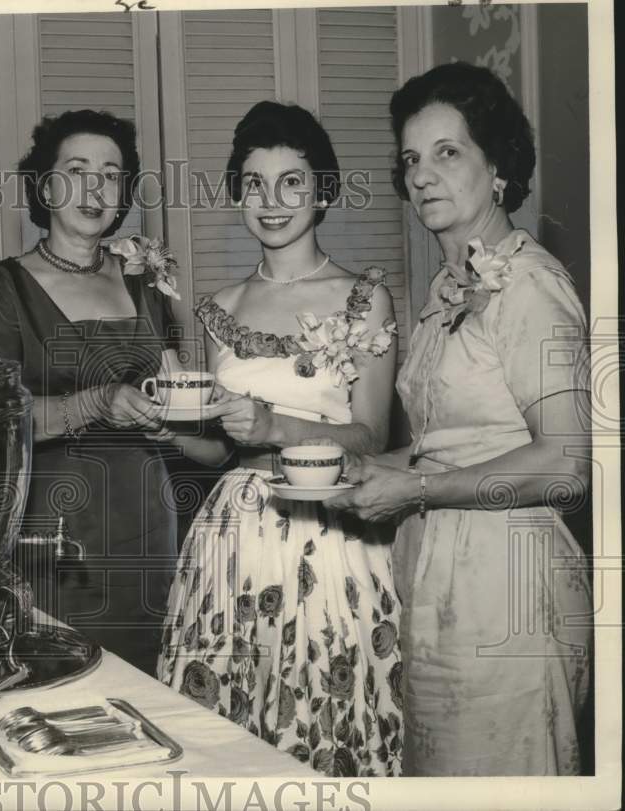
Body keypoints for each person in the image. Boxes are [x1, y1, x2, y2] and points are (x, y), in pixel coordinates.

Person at [325, 62, 592, 776]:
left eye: (448, 152)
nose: (421, 174)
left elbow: (568, 465)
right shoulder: (451, 286)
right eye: (411, 158)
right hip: (439, 576)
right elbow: (449, 446)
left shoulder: (531, 285)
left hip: (510, 585)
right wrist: (365, 470)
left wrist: (411, 491)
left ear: (498, 165)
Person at [155, 101, 403, 777]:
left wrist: (274, 424)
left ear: (322, 190)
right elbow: (220, 450)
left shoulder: (364, 298)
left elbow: (372, 437)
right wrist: (172, 428)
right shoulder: (222, 306)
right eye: (255, 183)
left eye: (292, 181)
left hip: (330, 535)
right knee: (227, 746)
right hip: (232, 539)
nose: (271, 201)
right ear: (238, 191)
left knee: (325, 723)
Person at [0, 109, 183, 676]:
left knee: (148, 689)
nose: (95, 188)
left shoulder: (144, 280)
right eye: (77, 169)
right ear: (44, 184)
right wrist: (94, 402)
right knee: (57, 682)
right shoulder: (5, 286)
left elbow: (179, 395)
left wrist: (184, 412)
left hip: (146, 519)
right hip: (53, 532)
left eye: (110, 174)